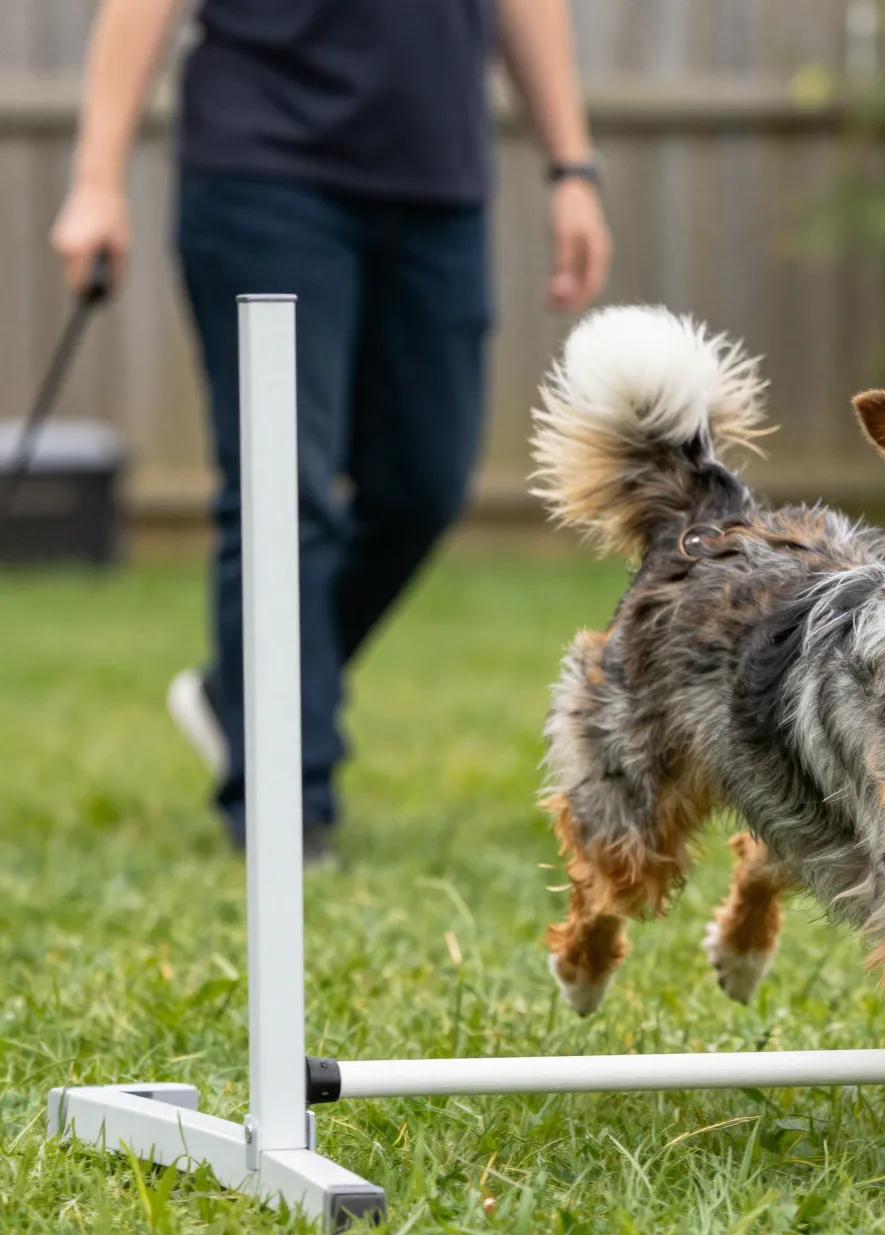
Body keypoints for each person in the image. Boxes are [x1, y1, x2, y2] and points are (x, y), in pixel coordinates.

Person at [50, 0, 612, 861]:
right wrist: (96, 181)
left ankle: (240, 693)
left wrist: (572, 167)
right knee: (281, 493)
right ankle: (287, 800)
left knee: (424, 485)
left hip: (438, 181)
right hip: (263, 168)